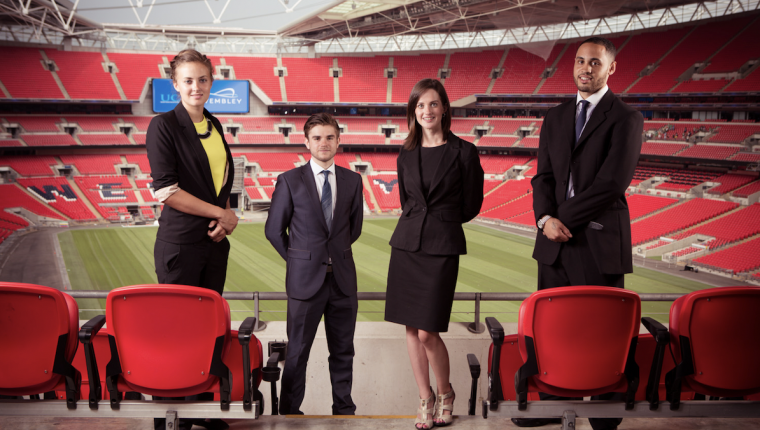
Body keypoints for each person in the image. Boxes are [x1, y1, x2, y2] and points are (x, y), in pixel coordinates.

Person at [522, 37, 643, 430]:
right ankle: (554, 405)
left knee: (600, 331)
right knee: (553, 330)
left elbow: (612, 184)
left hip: (598, 242)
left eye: (594, 62)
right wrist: (544, 219)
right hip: (552, 242)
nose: (585, 68)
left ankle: (604, 415)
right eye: (579, 61)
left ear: (611, 69)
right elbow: (542, 176)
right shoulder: (556, 117)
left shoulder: (626, 118)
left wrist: (561, 220)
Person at [384, 78, 484, 429]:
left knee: (427, 331)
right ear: (413, 112)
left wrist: (440, 221)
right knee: (411, 330)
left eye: (433, 104)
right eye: (419, 105)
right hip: (407, 245)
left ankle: (446, 392)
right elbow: (408, 202)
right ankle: (425, 398)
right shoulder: (406, 152)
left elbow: (471, 205)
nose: (426, 111)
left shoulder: (465, 152)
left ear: (444, 108)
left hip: (442, 246)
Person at [146, 48, 238, 430]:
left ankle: (199, 407)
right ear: (175, 85)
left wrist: (225, 218)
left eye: (202, 79)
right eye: (188, 80)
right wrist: (222, 214)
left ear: (211, 82)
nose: (196, 86)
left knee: (207, 330)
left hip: (213, 244)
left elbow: (218, 184)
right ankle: (172, 413)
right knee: (177, 331)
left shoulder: (215, 124)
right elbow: (167, 190)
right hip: (181, 245)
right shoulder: (163, 126)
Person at [265, 112, 364, 415]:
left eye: (330, 137)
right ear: (306, 142)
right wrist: (302, 260)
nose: (324, 143)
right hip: (305, 282)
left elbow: (353, 228)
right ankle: (289, 411)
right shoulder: (290, 180)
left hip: (343, 283)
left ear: (338, 141)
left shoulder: (353, 180)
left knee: (344, 351)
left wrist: (330, 258)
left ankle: (344, 411)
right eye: (318, 137)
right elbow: (273, 230)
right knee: (296, 352)